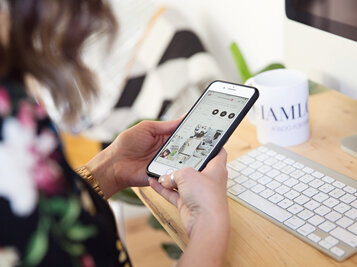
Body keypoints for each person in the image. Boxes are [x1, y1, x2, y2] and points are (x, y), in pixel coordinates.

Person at [0, 1, 230, 266]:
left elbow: (55, 217)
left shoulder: (13, 107)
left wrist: (110, 167)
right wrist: (209, 222)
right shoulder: (9, 124)